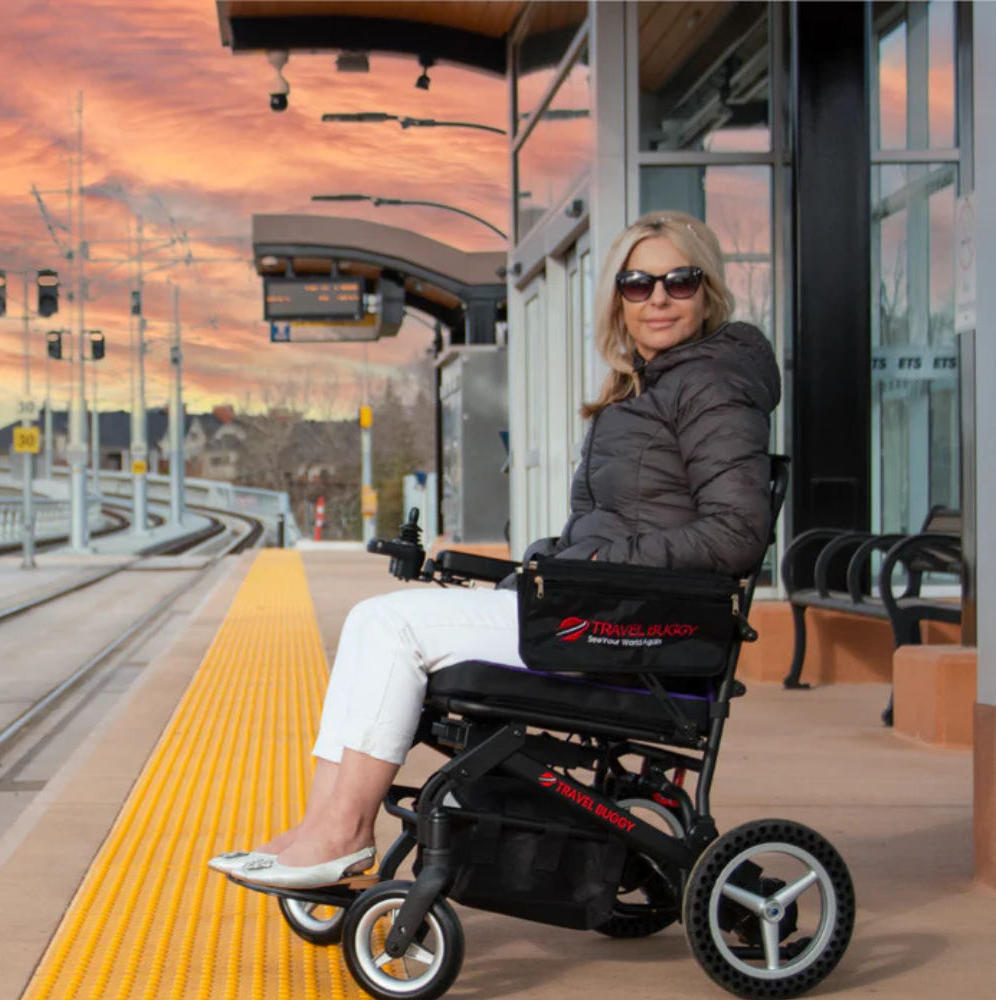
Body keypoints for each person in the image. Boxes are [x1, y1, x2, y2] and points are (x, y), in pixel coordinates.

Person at [209, 210, 781, 890]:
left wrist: (601, 562)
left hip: (631, 627)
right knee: (374, 619)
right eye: (637, 283)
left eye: (678, 281)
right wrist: (555, 555)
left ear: (707, 290)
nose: (657, 297)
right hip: (599, 608)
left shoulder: (712, 383)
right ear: (619, 300)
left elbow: (737, 533)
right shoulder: (650, 385)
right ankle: (321, 826)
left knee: (391, 624)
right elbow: (622, 517)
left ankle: (342, 831)